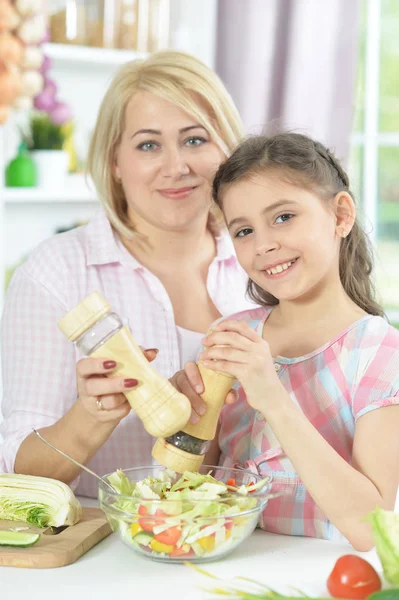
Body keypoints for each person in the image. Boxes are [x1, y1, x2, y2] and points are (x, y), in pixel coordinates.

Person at [0, 50, 256, 497]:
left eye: (195, 139)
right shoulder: (54, 274)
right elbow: (17, 476)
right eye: (148, 145)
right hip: (100, 557)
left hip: (241, 540)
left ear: (226, 150)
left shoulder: (263, 261)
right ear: (115, 162)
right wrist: (91, 416)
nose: (176, 166)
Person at [184, 132, 399, 551]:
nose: (264, 244)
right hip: (222, 565)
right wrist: (189, 420)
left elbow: (372, 529)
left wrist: (272, 396)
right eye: (243, 230)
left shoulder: (380, 352)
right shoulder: (233, 336)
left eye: (283, 217)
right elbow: (187, 488)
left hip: (321, 577)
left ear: (340, 215)